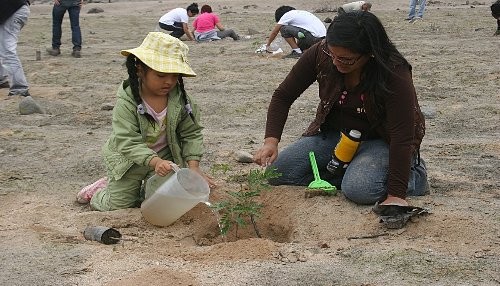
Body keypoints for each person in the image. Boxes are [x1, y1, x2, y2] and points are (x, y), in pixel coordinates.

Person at [253, 11, 428, 208]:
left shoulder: (393, 71)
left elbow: (401, 136)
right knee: (279, 173)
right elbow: (283, 96)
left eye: (346, 59)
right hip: (335, 136)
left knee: (360, 190)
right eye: (333, 54)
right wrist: (271, 141)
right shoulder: (322, 52)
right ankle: (350, 173)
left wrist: (396, 194)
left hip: (379, 141)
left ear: (370, 53)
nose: (336, 62)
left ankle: (413, 175)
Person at [76, 32, 216, 211]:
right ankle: (100, 191)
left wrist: (194, 168)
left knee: (162, 201)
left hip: (165, 160)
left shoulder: (182, 101)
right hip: (128, 162)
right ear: (140, 70)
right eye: (161, 75)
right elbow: (127, 140)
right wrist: (154, 161)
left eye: (175, 76)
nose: (169, 82)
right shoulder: (127, 102)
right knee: (118, 205)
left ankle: (142, 190)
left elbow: (192, 133)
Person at [0, 0, 31, 97]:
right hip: (16, 9)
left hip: (14, 12)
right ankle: (1, 79)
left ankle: (20, 88)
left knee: (7, 50)